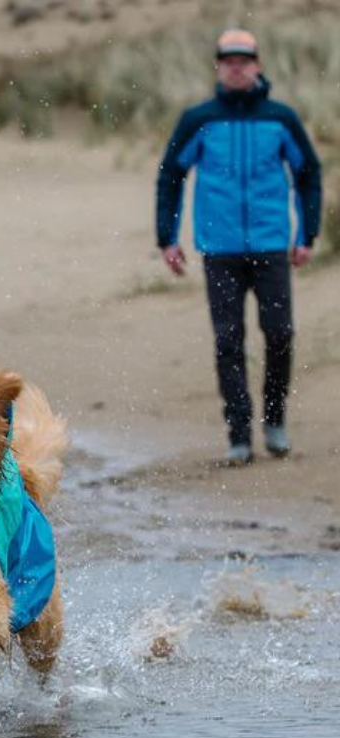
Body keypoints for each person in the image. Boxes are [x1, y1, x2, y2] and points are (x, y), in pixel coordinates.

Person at [156, 29, 322, 465]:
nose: (236, 66)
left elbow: (309, 175)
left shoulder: (280, 118)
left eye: (244, 59)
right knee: (229, 341)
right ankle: (239, 433)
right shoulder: (200, 119)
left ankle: (274, 419)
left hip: (270, 247)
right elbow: (171, 176)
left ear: (258, 65)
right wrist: (167, 238)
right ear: (219, 66)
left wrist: (307, 234)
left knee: (280, 334)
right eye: (228, 59)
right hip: (221, 250)